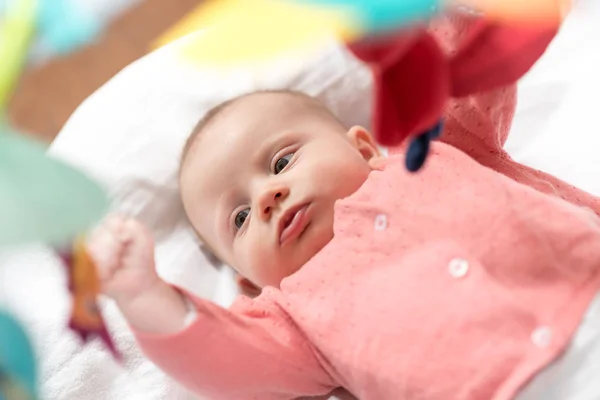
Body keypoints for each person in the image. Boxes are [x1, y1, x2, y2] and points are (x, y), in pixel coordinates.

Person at [87, 11, 600, 400]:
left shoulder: (426, 152)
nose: (266, 197)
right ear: (247, 282)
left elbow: (459, 70)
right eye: (240, 219)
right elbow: (223, 358)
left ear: (363, 148)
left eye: (282, 161)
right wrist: (143, 294)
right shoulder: (291, 317)